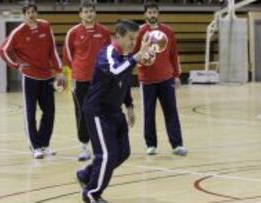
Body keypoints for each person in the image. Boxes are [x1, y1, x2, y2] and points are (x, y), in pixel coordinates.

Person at [76, 20, 149, 203]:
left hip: (115, 111)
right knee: (107, 155)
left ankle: (86, 175)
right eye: (130, 38)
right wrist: (137, 57)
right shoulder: (107, 53)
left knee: (122, 152)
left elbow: (122, 83)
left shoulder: (127, 56)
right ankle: (91, 194)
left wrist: (129, 105)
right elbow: (116, 71)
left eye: (136, 39)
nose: (133, 42)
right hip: (98, 112)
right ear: (118, 37)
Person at [0, 2, 64, 159]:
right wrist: (16, 65)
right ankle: (35, 147)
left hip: (47, 76)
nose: (32, 15)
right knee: (30, 112)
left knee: (49, 111)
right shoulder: (18, 32)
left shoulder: (46, 26)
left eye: (34, 12)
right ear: (24, 15)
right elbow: (3, 50)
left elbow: (52, 50)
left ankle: (44, 144)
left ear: (37, 13)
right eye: (28, 12)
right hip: (30, 77)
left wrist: (58, 70)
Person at [134, 1, 188, 156]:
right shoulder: (140, 32)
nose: (152, 15)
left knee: (171, 111)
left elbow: (173, 54)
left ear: (158, 13)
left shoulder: (168, 31)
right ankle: (150, 144)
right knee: (148, 113)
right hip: (147, 80)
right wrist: (143, 59)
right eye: (149, 12)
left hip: (166, 78)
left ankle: (177, 144)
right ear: (145, 14)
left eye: (154, 12)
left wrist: (176, 75)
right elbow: (134, 54)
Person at [63, 0, 111, 161]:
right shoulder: (73, 32)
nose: (89, 14)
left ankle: (101, 146)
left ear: (95, 12)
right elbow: (67, 55)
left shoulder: (104, 32)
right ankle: (84, 146)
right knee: (82, 113)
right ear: (80, 14)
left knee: (101, 111)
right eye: (86, 11)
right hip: (81, 79)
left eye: (91, 11)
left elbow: (109, 54)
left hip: (100, 79)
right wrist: (77, 69)